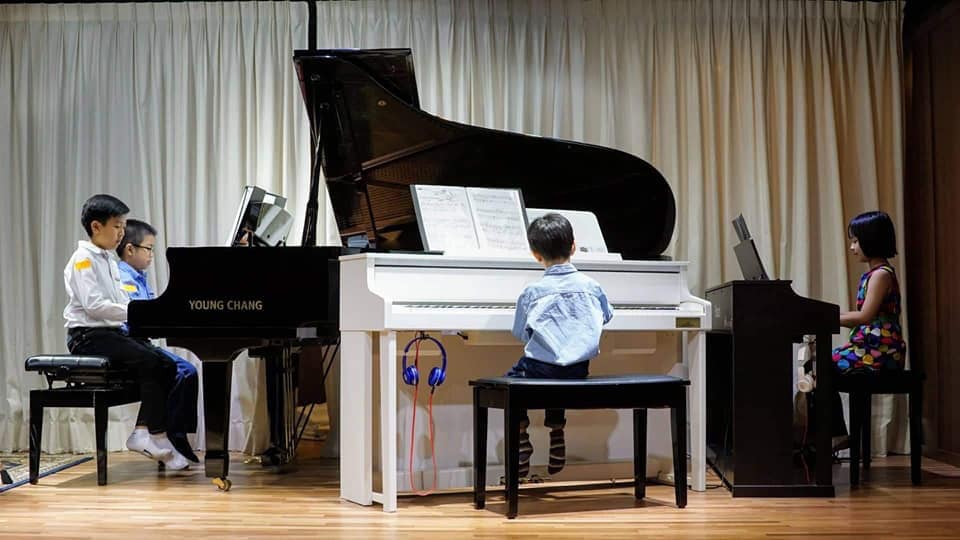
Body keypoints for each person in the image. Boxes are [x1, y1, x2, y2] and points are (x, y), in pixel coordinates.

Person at [63, 194, 189, 470]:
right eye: (117, 226)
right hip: (87, 337)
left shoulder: (108, 260)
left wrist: (143, 311)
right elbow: (94, 306)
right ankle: (150, 435)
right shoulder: (83, 259)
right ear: (96, 227)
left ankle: (149, 432)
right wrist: (137, 312)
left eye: (123, 227)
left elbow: (121, 300)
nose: (121, 233)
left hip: (110, 333)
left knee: (168, 364)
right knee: (152, 360)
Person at [507, 213, 614, 478]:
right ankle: (556, 431)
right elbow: (607, 315)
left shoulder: (533, 291)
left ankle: (521, 435)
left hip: (540, 369)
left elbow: (519, 333)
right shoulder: (592, 286)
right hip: (578, 369)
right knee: (561, 371)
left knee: (513, 379)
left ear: (536, 255)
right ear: (573, 247)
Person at [117, 219, 201, 464]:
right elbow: (136, 315)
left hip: (141, 343)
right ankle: (166, 435)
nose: (152, 254)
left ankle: (173, 435)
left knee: (188, 371)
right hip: (130, 343)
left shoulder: (139, 277)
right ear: (130, 249)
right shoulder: (123, 277)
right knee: (183, 371)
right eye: (149, 248)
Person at [833, 210, 906, 374]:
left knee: (822, 364)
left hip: (882, 348)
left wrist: (828, 319)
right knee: (819, 363)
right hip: (872, 345)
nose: (852, 247)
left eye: (855, 241)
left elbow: (864, 316)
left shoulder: (881, 275)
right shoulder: (873, 274)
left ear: (871, 240)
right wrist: (828, 315)